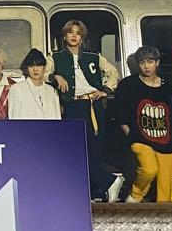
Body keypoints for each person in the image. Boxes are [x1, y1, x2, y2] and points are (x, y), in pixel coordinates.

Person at [46, 20, 121, 202]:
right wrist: (55, 76)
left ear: (82, 38)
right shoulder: (54, 57)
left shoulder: (94, 56)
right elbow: (44, 74)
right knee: (76, 150)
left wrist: (105, 90)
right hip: (72, 106)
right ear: (64, 36)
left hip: (94, 105)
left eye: (78, 33)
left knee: (95, 149)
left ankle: (96, 191)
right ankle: (109, 181)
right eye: (70, 32)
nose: (74, 36)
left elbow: (113, 73)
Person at [113, 45, 172, 204]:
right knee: (149, 169)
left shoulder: (167, 86)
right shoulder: (128, 85)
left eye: (150, 61)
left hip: (167, 140)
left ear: (157, 62)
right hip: (140, 139)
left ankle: (165, 215)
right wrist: (131, 135)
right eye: (142, 62)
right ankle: (135, 195)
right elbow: (119, 114)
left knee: (166, 189)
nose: (146, 66)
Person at [7, 48, 62, 120]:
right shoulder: (17, 89)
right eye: (31, 66)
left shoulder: (52, 91)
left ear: (44, 68)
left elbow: (57, 119)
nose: (35, 69)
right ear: (27, 68)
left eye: (39, 65)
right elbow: (14, 119)